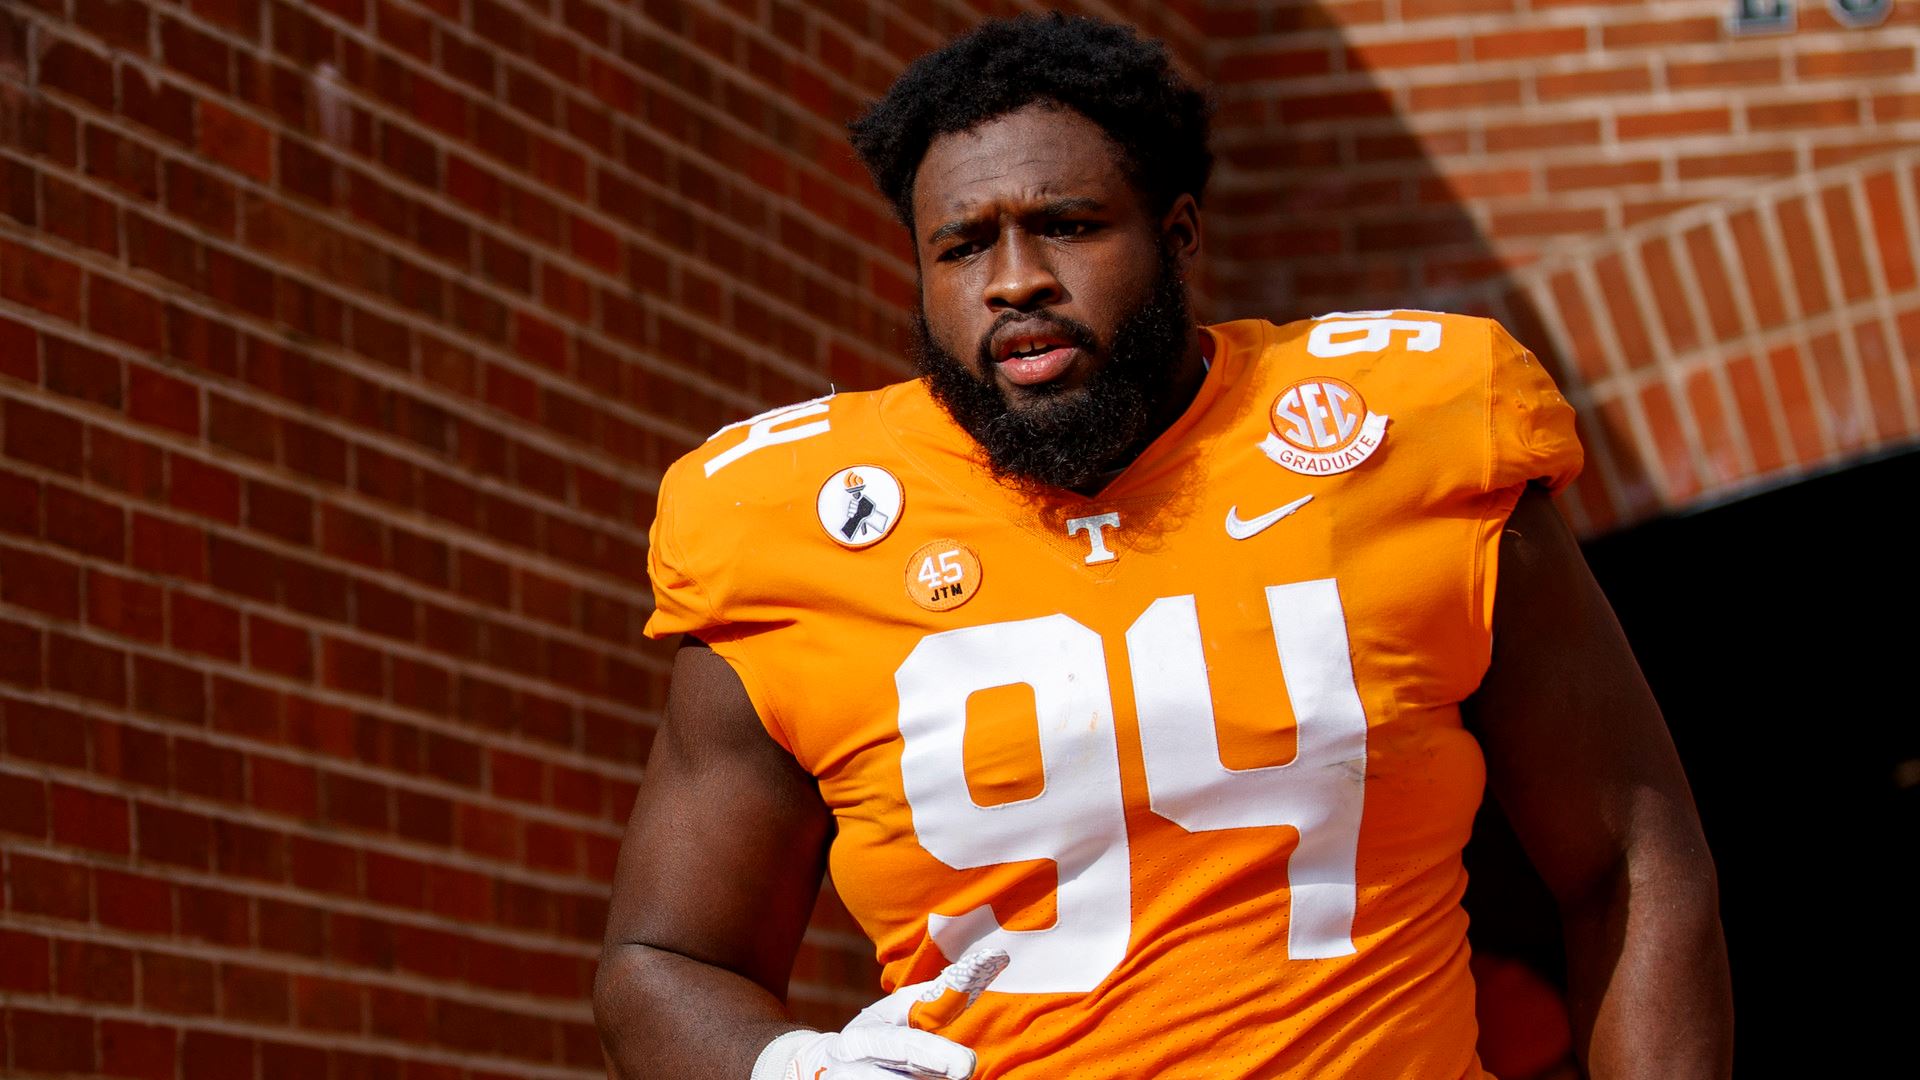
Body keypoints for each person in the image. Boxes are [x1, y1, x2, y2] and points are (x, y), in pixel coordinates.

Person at [594, 14, 1732, 1080]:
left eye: (1067, 225)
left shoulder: (1405, 433)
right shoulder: (788, 524)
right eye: (963, 246)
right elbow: (664, 958)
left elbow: (1631, 857)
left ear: (1179, 232)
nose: (1015, 280)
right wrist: (794, 1069)